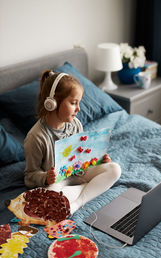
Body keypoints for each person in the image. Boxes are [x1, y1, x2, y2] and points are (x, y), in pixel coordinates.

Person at [24, 70, 121, 215]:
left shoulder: (75, 124)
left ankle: (77, 202)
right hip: (58, 183)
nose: (78, 109)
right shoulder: (36, 137)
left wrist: (99, 161)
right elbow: (29, 176)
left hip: (79, 172)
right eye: (73, 103)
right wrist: (46, 177)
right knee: (49, 196)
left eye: (78, 103)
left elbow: (81, 156)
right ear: (53, 102)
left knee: (115, 169)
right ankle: (89, 188)